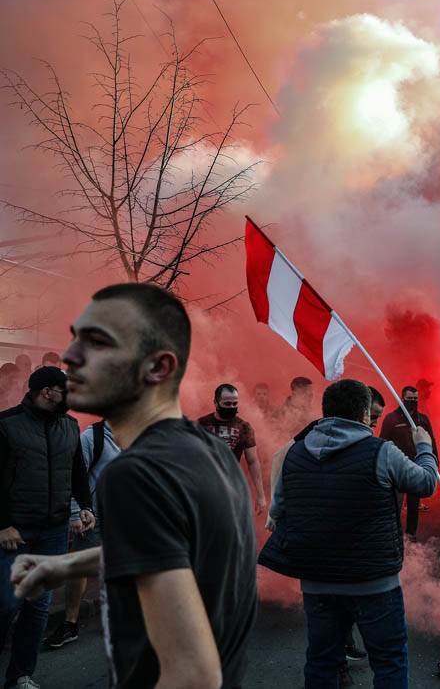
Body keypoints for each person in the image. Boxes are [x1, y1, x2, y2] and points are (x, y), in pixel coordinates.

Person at [10, 283, 257, 688]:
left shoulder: (136, 473)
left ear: (158, 368)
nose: (71, 358)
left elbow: (193, 673)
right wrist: (65, 564)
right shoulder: (206, 449)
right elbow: (167, 553)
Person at [260, 379, 439, 689]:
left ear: (326, 410)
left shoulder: (295, 452)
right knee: (389, 661)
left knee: (320, 661)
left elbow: (280, 511)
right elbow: (425, 483)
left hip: (317, 581)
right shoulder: (381, 452)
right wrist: (424, 446)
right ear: (363, 413)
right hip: (374, 582)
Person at [0, 366, 96, 689]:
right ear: (47, 392)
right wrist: (2, 525)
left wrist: (85, 506)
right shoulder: (6, 425)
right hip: (14, 534)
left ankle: (20, 676)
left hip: (54, 531)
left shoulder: (69, 426)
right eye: (65, 390)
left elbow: (77, 473)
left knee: (38, 605)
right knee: (7, 603)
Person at [43, 418, 121, 650]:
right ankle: (70, 624)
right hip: (94, 516)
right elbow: (74, 477)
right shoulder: (92, 437)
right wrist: (77, 513)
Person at [198, 383, 268, 514]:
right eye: (227, 403)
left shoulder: (244, 427)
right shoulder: (201, 425)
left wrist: (260, 495)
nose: (231, 407)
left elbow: (253, 461)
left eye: (234, 404)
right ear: (216, 402)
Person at [379, 386, 437, 538]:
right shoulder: (391, 419)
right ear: (402, 398)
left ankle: (411, 534)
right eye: (410, 399)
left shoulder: (422, 419)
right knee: (395, 504)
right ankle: (394, 535)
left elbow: (431, 441)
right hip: (396, 468)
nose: (413, 402)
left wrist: (435, 462)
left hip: (415, 466)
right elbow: (382, 442)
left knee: (413, 505)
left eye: (415, 399)